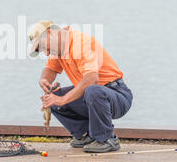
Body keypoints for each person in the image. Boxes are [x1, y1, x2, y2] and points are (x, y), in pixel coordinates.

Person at [29, 20, 133, 153]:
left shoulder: (81, 43)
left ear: (50, 33)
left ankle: (106, 138)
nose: (45, 52)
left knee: (91, 90)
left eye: (42, 47)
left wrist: (62, 100)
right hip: (94, 94)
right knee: (54, 97)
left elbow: (92, 79)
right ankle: (87, 134)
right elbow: (50, 69)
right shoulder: (58, 49)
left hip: (117, 94)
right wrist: (44, 80)